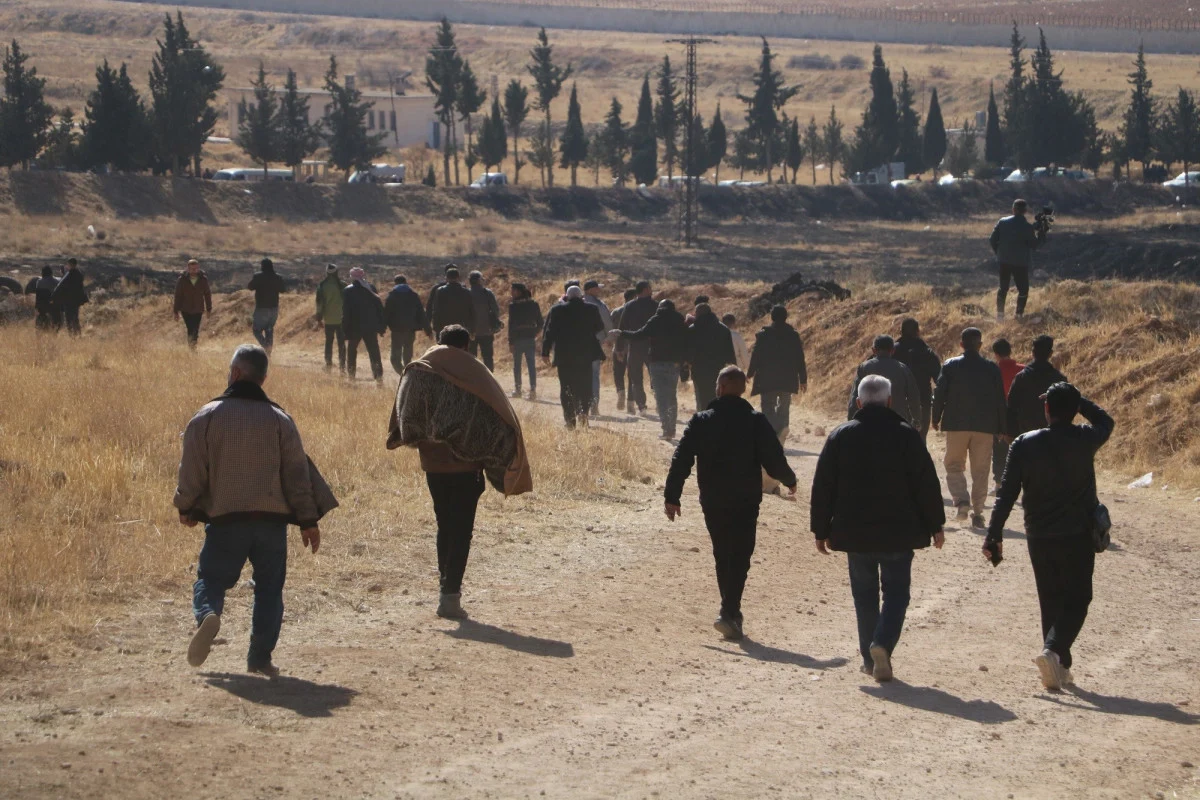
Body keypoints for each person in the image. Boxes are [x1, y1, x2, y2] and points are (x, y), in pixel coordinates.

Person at [174, 345, 337, 677]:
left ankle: (208, 613)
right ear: (263, 378)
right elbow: (297, 476)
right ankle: (260, 659)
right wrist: (308, 521)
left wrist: (186, 506)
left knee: (211, 578)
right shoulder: (280, 420)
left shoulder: (205, 417)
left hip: (225, 521)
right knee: (268, 588)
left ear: (235, 373)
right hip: (271, 524)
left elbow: (192, 471)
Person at [388, 324, 533, 619]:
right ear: (466, 346)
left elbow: (405, 418)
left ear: (438, 341)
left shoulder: (418, 369)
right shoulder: (474, 372)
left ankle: (445, 587)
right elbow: (498, 414)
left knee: (444, 523)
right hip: (467, 468)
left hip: (433, 466)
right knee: (462, 530)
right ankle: (450, 595)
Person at [811, 374, 946, 682]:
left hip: (854, 533)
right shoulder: (907, 435)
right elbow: (926, 483)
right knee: (897, 594)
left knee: (864, 594)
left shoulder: (840, 435)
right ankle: (881, 644)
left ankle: (869, 660)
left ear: (858, 403)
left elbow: (823, 486)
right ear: (889, 401)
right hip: (899, 532)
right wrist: (936, 523)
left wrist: (820, 529)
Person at [986, 383, 1113, 691]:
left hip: (1039, 534)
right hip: (1077, 533)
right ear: (1073, 411)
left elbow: (1007, 493)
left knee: (1050, 598)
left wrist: (994, 533)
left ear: (1046, 409)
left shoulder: (1023, 443)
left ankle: (1058, 667)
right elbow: (1106, 421)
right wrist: (1078, 400)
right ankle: (1053, 653)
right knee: (1079, 597)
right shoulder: (1085, 438)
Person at [665, 366, 797, 640]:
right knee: (741, 554)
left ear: (721, 387)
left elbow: (682, 458)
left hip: (713, 498)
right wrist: (789, 479)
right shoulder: (755, 420)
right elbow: (773, 457)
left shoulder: (702, 420)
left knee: (722, 552)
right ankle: (729, 610)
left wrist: (672, 495)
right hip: (746, 499)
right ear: (742, 389)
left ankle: (730, 611)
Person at [932, 327, 1008, 528]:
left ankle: (961, 500)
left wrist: (935, 416)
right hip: (985, 427)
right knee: (981, 469)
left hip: (956, 425)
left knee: (954, 464)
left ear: (961, 345)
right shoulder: (992, 368)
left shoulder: (950, 365)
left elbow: (940, 393)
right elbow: (1000, 399)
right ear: (981, 345)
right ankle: (978, 512)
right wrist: (1001, 425)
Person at [747, 305, 807, 494]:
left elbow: (756, 355)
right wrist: (803, 379)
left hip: (767, 380)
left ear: (772, 317)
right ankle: (781, 430)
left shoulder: (763, 335)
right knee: (784, 406)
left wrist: (749, 373)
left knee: (768, 407)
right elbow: (800, 358)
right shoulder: (793, 335)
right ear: (786, 317)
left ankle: (771, 434)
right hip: (787, 380)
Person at [618, 298, 688, 440]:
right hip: (674, 364)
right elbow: (687, 341)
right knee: (671, 396)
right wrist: (685, 362)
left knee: (661, 397)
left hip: (657, 363)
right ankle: (672, 429)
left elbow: (639, 335)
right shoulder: (680, 321)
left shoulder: (656, 319)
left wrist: (621, 333)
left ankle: (666, 430)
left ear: (660, 308)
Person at [542, 285, 605, 429]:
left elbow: (549, 332)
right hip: (586, 355)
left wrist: (545, 352)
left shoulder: (557, 310)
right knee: (585, 386)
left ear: (567, 296)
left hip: (565, 357)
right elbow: (599, 327)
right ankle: (584, 413)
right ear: (581, 296)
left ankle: (570, 420)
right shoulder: (592, 309)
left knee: (566, 388)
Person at [847, 335, 921, 428]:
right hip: (897, 422)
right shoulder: (903, 369)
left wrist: (851, 420)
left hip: (868, 422)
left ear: (873, 350)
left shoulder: (864, 368)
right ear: (893, 350)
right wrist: (917, 418)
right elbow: (913, 396)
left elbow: (855, 396)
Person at [990, 199, 1045, 320]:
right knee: (1023, 289)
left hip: (1004, 261)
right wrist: (1041, 233)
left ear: (1013, 209)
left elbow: (992, 240)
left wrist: (999, 253)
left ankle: (1000, 315)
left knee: (1003, 288)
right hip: (1020, 263)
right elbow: (1034, 245)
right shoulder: (1027, 227)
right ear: (1025, 211)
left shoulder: (1002, 222)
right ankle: (1019, 315)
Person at [1007, 335, 1068, 439]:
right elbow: (1066, 408)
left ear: (1032, 352)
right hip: (1052, 436)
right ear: (1051, 353)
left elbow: (1011, 406)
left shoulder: (1021, 377)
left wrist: (1011, 433)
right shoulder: (1059, 379)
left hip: (1026, 435)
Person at [893, 318, 941, 442]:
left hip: (896, 403)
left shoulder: (892, 351)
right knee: (920, 440)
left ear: (900, 331)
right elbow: (939, 380)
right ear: (918, 331)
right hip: (922, 402)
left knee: (897, 441)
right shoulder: (927, 352)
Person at [616, 281, 658, 416]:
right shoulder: (656, 306)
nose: (652, 290)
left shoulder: (629, 306)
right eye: (650, 288)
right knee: (656, 375)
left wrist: (620, 347)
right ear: (645, 290)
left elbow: (622, 327)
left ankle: (641, 406)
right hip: (653, 346)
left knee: (636, 377)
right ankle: (659, 401)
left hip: (634, 346)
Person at [686, 304, 737, 411]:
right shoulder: (723, 329)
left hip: (699, 371)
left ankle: (704, 421)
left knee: (701, 398)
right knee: (718, 396)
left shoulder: (692, 329)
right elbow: (730, 354)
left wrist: (686, 365)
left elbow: (688, 352)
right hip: (718, 370)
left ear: (698, 314)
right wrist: (734, 371)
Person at [991, 338, 1025, 491]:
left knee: (999, 451)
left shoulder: (992, 370)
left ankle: (999, 484)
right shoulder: (1023, 369)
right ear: (1010, 351)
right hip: (1020, 414)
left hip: (999, 414)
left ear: (996, 354)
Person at [342, 267, 386, 383]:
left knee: (351, 351)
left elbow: (346, 312)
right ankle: (378, 376)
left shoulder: (347, 290)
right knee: (374, 352)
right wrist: (381, 326)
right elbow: (379, 308)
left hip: (354, 327)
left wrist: (345, 329)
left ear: (352, 277)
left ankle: (351, 376)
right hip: (370, 326)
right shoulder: (370, 288)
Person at [583, 279, 615, 416]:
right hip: (595, 343)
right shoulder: (599, 305)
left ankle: (581, 404)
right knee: (594, 375)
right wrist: (610, 338)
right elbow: (607, 323)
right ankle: (594, 405)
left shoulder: (576, 302)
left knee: (581, 375)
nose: (599, 290)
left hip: (578, 344)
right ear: (590, 290)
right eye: (597, 288)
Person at [507, 282, 543, 400]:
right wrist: (535, 333)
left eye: (513, 290)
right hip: (529, 338)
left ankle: (518, 390)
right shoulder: (533, 304)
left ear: (519, 292)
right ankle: (532, 390)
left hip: (517, 338)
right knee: (531, 365)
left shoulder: (513, 306)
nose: (511, 292)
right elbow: (540, 322)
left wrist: (510, 342)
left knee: (517, 365)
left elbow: (511, 325)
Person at [385, 275, 427, 375]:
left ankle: (403, 374)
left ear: (395, 283)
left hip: (397, 330)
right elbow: (421, 313)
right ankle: (408, 374)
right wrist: (427, 329)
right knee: (407, 357)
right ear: (406, 282)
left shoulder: (392, 295)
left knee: (395, 358)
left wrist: (382, 327)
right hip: (411, 329)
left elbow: (386, 313)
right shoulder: (413, 295)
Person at [247, 258, 286, 352]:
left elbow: (250, 287)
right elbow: (283, 289)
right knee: (269, 330)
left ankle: (265, 347)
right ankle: (268, 353)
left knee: (256, 330)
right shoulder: (278, 277)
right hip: (274, 309)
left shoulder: (258, 276)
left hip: (262, 309)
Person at [467, 270, 502, 371]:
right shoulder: (487, 293)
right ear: (479, 281)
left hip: (470, 332)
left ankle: (471, 380)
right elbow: (496, 310)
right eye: (482, 279)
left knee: (471, 358)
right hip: (487, 331)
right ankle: (489, 380)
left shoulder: (466, 293)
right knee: (487, 358)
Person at [173, 259, 212, 349]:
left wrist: (209, 308)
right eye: (192, 269)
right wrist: (176, 311)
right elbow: (178, 295)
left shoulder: (203, 280)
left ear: (198, 268)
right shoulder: (182, 280)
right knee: (190, 328)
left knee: (195, 328)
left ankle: (192, 346)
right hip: (185, 309)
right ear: (188, 269)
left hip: (198, 309)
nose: (194, 271)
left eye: (195, 269)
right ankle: (192, 346)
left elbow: (207, 294)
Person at [315, 264, 346, 373]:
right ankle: (343, 367)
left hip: (328, 319)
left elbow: (319, 304)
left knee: (329, 343)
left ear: (327, 273)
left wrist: (319, 318)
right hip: (342, 319)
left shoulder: (322, 286)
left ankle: (328, 365)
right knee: (341, 343)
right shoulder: (343, 285)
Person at [611, 288, 638, 411]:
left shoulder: (616, 312)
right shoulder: (636, 312)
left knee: (618, 373)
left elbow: (610, 329)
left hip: (617, 347)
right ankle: (630, 403)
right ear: (634, 297)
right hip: (633, 347)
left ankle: (620, 392)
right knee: (632, 375)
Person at [429, 266, 475, 336]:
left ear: (446, 278)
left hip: (444, 327)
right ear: (458, 277)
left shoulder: (440, 291)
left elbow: (436, 310)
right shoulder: (466, 292)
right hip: (462, 327)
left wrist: (436, 328)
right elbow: (472, 311)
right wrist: (472, 329)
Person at [51, 258, 88, 336]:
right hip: (77, 301)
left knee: (69, 319)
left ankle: (72, 335)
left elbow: (60, 286)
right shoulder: (78, 274)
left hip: (68, 301)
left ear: (70, 264)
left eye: (67, 264)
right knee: (75, 318)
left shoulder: (69, 274)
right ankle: (78, 334)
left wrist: (52, 297)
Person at [424, 263, 455, 333]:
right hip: (459, 325)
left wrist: (427, 326)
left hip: (441, 325)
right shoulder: (464, 289)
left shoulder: (437, 288)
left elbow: (429, 307)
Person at [32, 265, 62, 331]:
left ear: (43, 273)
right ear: (51, 273)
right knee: (56, 323)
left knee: (40, 324)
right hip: (54, 307)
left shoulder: (39, 282)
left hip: (43, 307)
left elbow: (38, 296)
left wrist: (37, 307)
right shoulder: (57, 282)